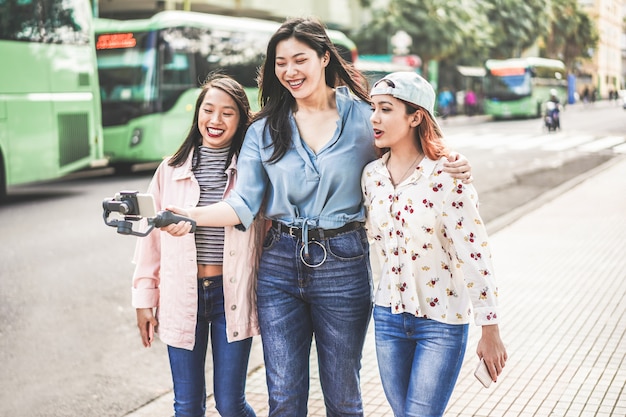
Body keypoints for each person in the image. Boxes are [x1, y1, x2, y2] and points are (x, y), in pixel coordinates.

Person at [163, 17, 472, 417]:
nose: (289, 71)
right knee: (285, 398)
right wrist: (189, 215)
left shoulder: (364, 117)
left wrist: (454, 159)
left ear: (325, 58)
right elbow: (243, 204)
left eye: (299, 59)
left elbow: (414, 145)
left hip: (343, 262)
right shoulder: (263, 129)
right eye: (280, 62)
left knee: (343, 396)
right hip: (278, 265)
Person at [361, 71, 507, 417]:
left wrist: (490, 329)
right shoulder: (371, 177)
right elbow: (375, 248)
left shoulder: (446, 177)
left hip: (441, 322)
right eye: (373, 108)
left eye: (385, 109)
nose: (374, 118)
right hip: (388, 317)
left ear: (415, 116)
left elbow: (475, 253)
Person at [131, 73, 265, 417]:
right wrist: (145, 299)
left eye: (227, 113)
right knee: (187, 407)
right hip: (181, 295)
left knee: (230, 404)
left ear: (241, 119)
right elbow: (150, 243)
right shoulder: (170, 169)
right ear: (197, 114)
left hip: (230, 296)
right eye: (208, 110)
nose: (215, 120)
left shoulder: (250, 173)